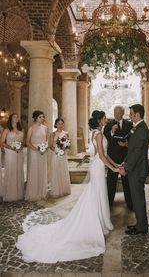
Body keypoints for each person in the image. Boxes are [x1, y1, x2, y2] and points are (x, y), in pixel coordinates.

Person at [16, 110, 120, 263]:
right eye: (104, 118)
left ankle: (101, 220)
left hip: (98, 166)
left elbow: (104, 154)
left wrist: (115, 164)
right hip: (98, 167)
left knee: (97, 193)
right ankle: (95, 222)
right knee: (96, 192)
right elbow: (101, 155)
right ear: (99, 120)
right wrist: (114, 169)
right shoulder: (97, 134)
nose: (106, 120)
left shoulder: (97, 132)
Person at [119, 104, 149, 235]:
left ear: (137, 115)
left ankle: (142, 227)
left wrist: (127, 168)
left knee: (138, 199)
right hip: (135, 168)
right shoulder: (138, 128)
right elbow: (133, 149)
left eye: (131, 114)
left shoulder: (141, 129)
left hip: (137, 170)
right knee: (137, 199)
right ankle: (140, 224)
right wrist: (124, 162)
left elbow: (137, 152)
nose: (129, 116)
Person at [103, 105, 133, 210]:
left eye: (118, 112)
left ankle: (130, 204)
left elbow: (133, 140)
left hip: (126, 157)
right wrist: (111, 132)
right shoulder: (108, 124)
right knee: (111, 182)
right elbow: (104, 139)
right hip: (113, 158)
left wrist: (126, 145)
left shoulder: (129, 124)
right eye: (115, 112)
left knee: (127, 182)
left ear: (123, 113)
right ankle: (109, 203)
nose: (116, 114)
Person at [25, 110, 48, 201]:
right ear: (36, 118)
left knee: (42, 170)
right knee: (34, 171)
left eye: (43, 117)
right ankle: (33, 193)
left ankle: (41, 192)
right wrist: (36, 150)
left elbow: (46, 140)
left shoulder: (45, 128)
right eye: (40, 117)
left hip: (43, 152)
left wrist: (45, 148)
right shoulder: (31, 128)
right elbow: (27, 141)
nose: (42, 118)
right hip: (34, 152)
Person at [1, 113, 24, 202]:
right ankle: (10, 194)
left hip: (19, 153)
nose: (17, 118)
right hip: (10, 153)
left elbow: (22, 142)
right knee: (11, 171)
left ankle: (18, 193)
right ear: (11, 119)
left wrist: (20, 147)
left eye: (18, 116)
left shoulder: (21, 130)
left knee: (18, 171)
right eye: (15, 117)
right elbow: (2, 142)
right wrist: (11, 148)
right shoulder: (7, 130)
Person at [49, 118, 71, 198]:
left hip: (63, 155)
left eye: (62, 123)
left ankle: (64, 189)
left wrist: (65, 149)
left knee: (63, 170)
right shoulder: (53, 134)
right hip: (55, 154)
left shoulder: (66, 133)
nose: (60, 125)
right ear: (55, 124)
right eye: (59, 123)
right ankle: (57, 190)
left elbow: (68, 144)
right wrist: (57, 150)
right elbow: (50, 145)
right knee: (56, 170)